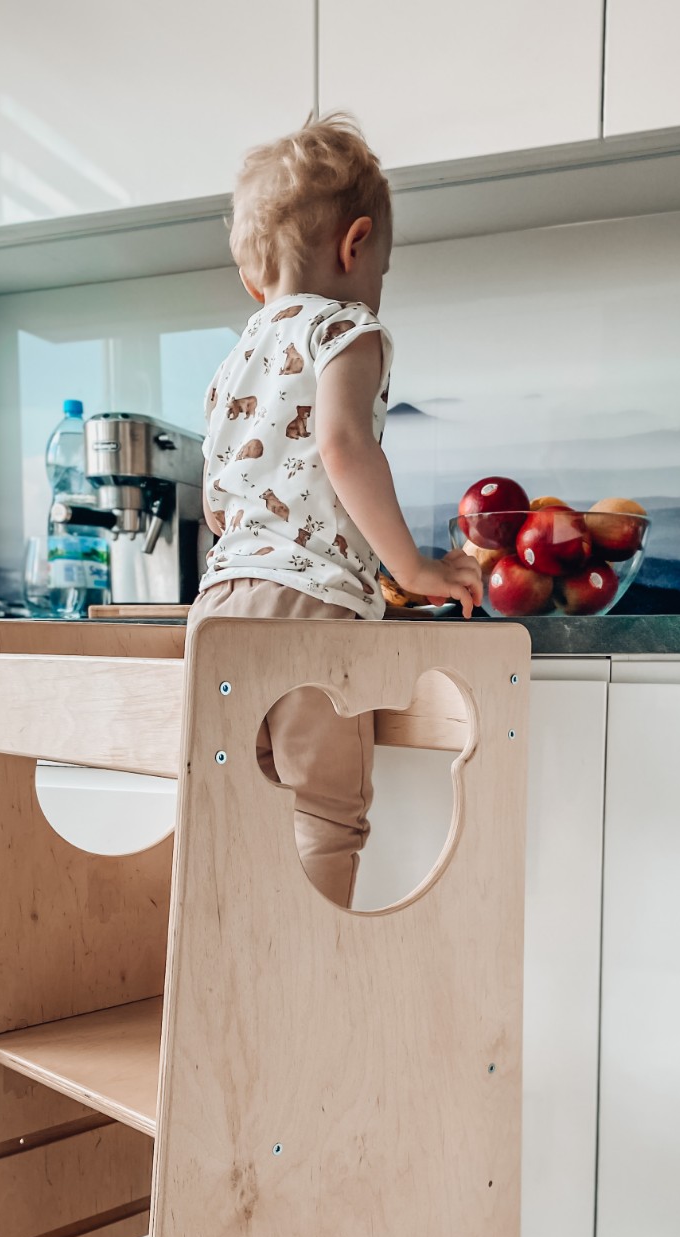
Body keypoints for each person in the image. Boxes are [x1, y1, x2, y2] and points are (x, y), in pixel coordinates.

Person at [189, 113, 481, 909]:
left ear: (255, 280)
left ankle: (243, 957)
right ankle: (306, 969)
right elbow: (346, 446)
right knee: (323, 811)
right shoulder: (346, 328)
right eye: (382, 269)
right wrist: (413, 568)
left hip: (218, 609)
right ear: (356, 246)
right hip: (308, 610)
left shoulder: (231, 364)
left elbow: (215, 501)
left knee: (239, 806)